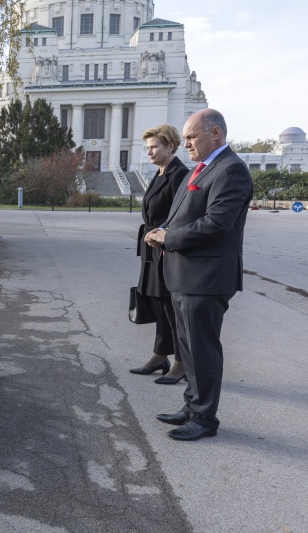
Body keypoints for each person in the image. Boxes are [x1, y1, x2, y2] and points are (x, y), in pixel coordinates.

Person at [144, 108, 252, 441]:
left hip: (205, 277)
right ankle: (192, 406)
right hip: (185, 275)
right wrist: (162, 228)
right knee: (188, 349)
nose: (186, 143)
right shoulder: (203, 169)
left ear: (215, 134)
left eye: (192, 136)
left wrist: (168, 238)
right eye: (186, 137)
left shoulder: (231, 170)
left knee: (202, 349)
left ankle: (205, 418)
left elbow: (217, 223)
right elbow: (182, 215)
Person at [129, 125, 188, 384]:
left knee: (170, 307)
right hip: (152, 247)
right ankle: (159, 355)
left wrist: (161, 232)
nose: (149, 152)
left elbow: (182, 214)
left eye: (154, 147)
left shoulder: (180, 174)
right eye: (148, 147)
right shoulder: (160, 172)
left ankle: (182, 362)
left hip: (167, 248)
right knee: (157, 303)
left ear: (170, 147)